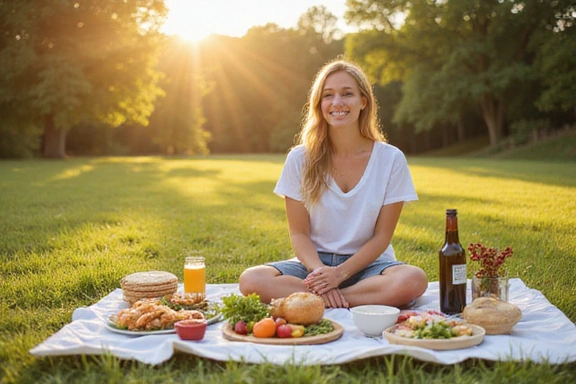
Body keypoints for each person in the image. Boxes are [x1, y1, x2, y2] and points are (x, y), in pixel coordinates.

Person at [239, 59, 428, 308]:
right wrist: (320, 274)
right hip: (313, 264)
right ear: (320, 104)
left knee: (413, 280)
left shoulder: (391, 158)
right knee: (252, 280)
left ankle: (321, 300)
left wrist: (339, 275)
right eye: (328, 95)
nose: (337, 102)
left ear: (363, 101)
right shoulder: (299, 158)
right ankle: (348, 297)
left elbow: (382, 237)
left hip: (370, 265)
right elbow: (299, 234)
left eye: (347, 94)